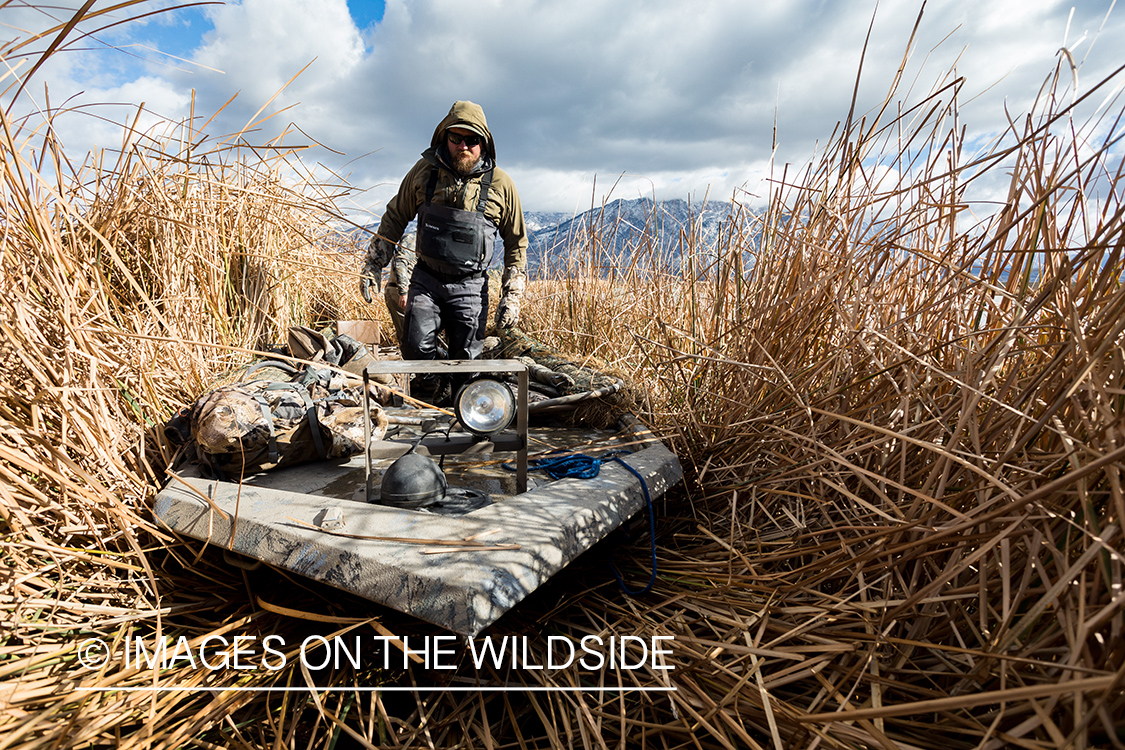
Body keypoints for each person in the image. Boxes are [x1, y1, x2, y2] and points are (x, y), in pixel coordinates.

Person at [361, 101, 528, 382]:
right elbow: (395, 218)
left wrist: (512, 297)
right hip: (426, 280)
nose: (463, 145)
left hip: (471, 287)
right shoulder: (424, 172)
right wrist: (373, 264)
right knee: (416, 352)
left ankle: (460, 399)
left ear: (484, 143)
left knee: (466, 367)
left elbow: (516, 243)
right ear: (444, 137)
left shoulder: (501, 184)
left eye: (472, 139)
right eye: (455, 138)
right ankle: (436, 387)